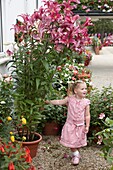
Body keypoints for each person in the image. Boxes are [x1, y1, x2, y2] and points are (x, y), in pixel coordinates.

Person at [45, 80, 90, 165]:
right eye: (82, 89)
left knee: (78, 142)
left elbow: (87, 115)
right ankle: (76, 154)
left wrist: (87, 126)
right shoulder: (70, 99)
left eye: (85, 88)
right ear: (76, 91)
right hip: (70, 124)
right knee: (71, 141)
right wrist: (49, 102)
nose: (85, 90)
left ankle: (76, 153)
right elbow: (59, 102)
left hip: (80, 125)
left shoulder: (86, 102)